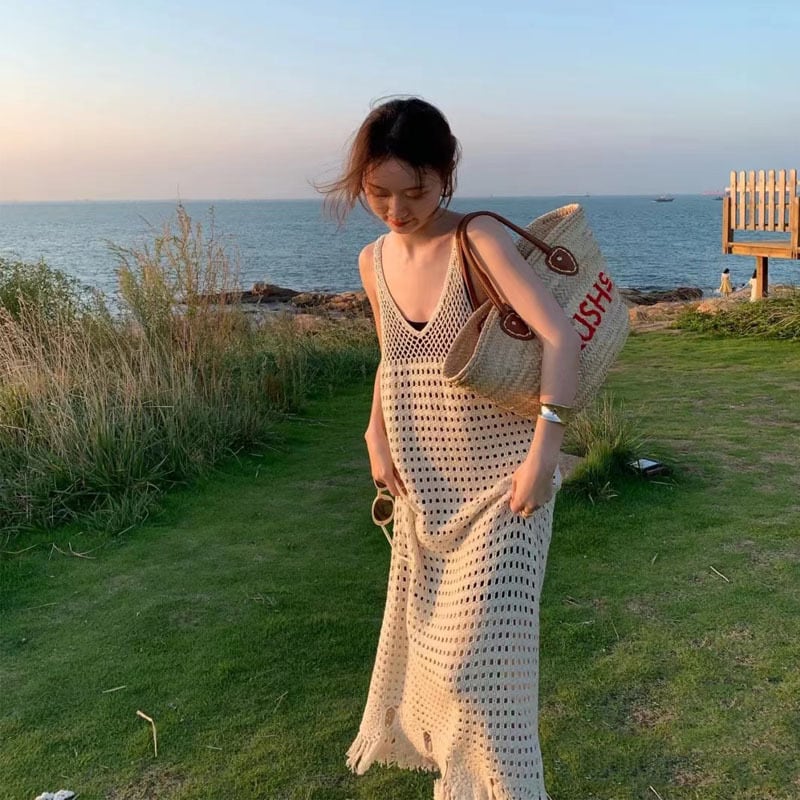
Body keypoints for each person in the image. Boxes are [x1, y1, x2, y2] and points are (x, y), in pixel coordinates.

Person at [320, 97, 581, 800]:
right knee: (439, 669)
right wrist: (375, 434)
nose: (397, 210)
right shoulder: (372, 260)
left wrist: (545, 454)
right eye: (378, 193)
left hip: (505, 485)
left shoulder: (477, 241)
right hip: (424, 485)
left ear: (446, 175)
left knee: (476, 672)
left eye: (415, 191)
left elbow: (560, 336)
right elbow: (392, 356)